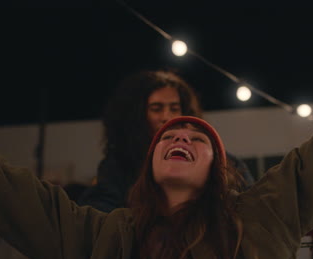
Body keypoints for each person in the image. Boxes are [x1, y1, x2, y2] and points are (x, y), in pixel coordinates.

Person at [0, 34, 313, 259]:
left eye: (196, 136)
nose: (178, 134)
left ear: (220, 168)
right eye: (166, 135)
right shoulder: (103, 235)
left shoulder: (262, 215)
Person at [77, 69, 254, 212]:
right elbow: (99, 214)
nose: (167, 117)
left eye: (174, 108)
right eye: (156, 108)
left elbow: (252, 210)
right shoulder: (118, 165)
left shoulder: (227, 163)